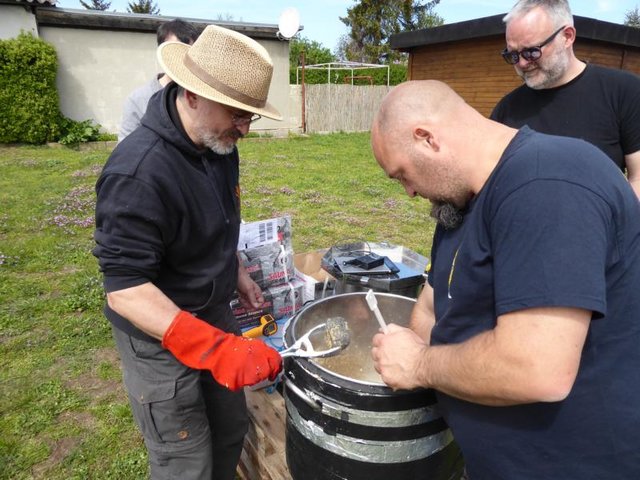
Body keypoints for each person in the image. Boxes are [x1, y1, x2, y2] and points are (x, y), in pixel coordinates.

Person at [370, 80, 640, 479]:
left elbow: (537, 369)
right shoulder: (460, 201)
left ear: (427, 139)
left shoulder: (547, 186)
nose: (408, 191)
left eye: (402, 175)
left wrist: (420, 364)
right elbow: (432, 302)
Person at [93, 25, 283, 480]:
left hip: (211, 310)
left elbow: (217, 221)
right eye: (236, 113)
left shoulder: (220, 144)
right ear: (192, 95)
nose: (245, 128)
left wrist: (236, 272)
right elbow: (126, 290)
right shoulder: (138, 172)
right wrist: (216, 350)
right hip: (157, 333)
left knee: (230, 427)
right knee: (185, 459)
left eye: (250, 116)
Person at [490, 0, 640, 198]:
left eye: (532, 51)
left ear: (567, 36)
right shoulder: (507, 108)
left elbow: (638, 179)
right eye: (514, 55)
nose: (523, 63)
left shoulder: (624, 91)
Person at [118, 18, 200, 142]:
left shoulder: (201, 96)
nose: (183, 57)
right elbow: (126, 149)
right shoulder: (138, 99)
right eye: (174, 50)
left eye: (189, 51)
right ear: (161, 53)